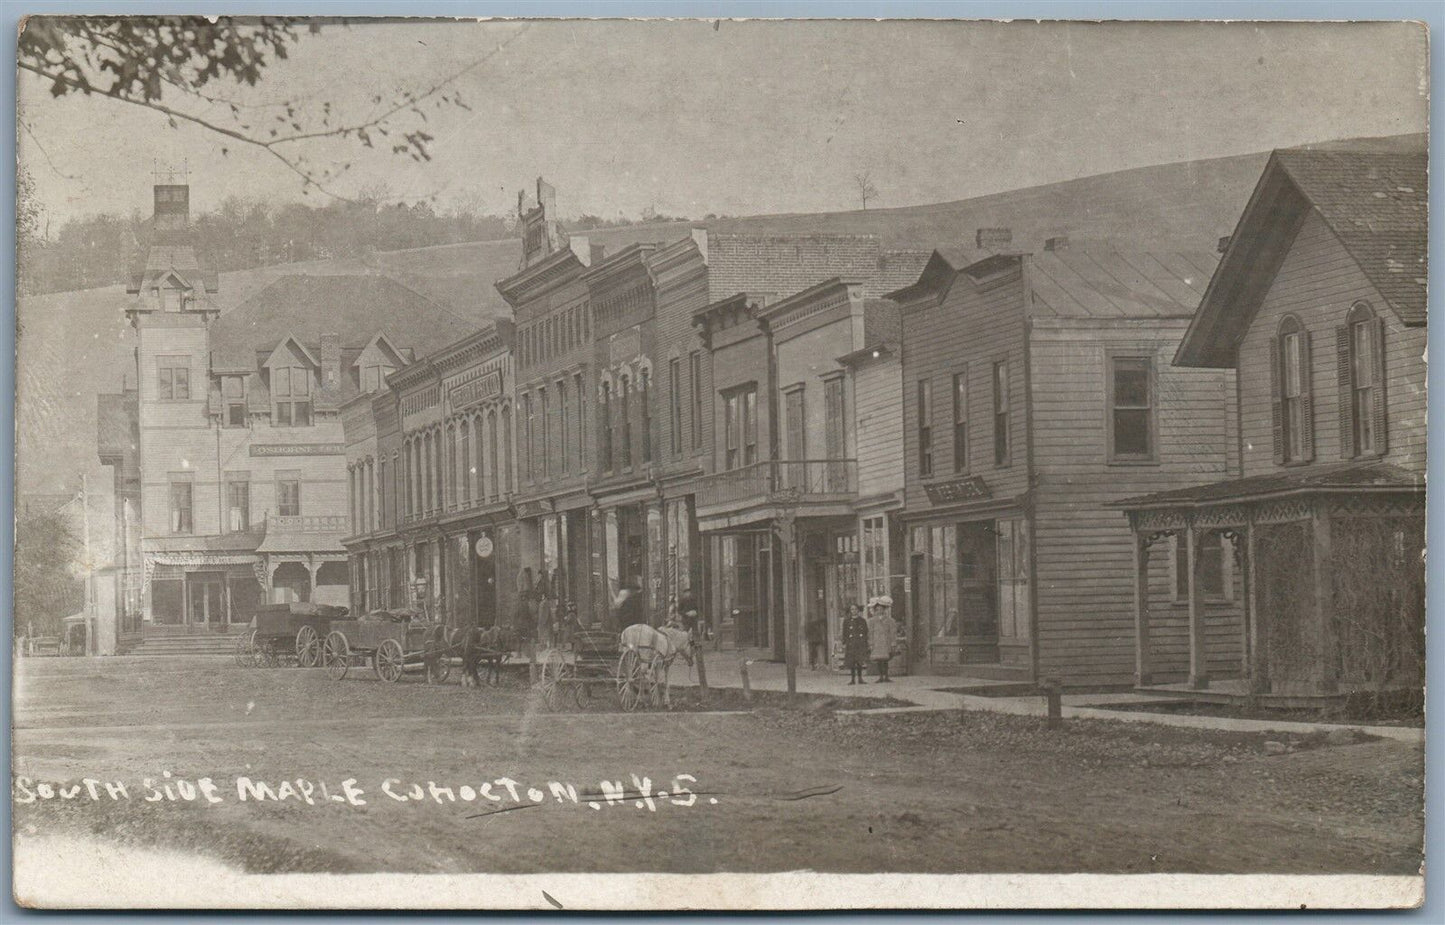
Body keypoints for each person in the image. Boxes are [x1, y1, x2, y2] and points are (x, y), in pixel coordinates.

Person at [867, 596, 895, 683]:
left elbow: (893, 632)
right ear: (875, 610)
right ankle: (880, 676)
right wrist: (871, 643)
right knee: (879, 660)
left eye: (881, 609)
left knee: (885, 660)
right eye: (878, 609)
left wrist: (893, 642)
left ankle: (886, 676)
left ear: (884, 610)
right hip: (877, 642)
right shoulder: (872, 621)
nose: (880, 611)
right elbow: (870, 632)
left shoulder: (890, 620)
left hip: (886, 642)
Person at [841, 604, 869, 684]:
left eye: (855, 609)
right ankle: (853, 679)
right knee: (852, 661)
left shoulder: (862, 620)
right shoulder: (847, 621)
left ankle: (860, 678)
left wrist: (864, 642)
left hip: (859, 643)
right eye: (852, 609)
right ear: (850, 611)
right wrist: (844, 642)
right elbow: (845, 633)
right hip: (851, 643)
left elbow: (865, 632)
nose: (854, 611)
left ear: (858, 610)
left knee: (859, 661)